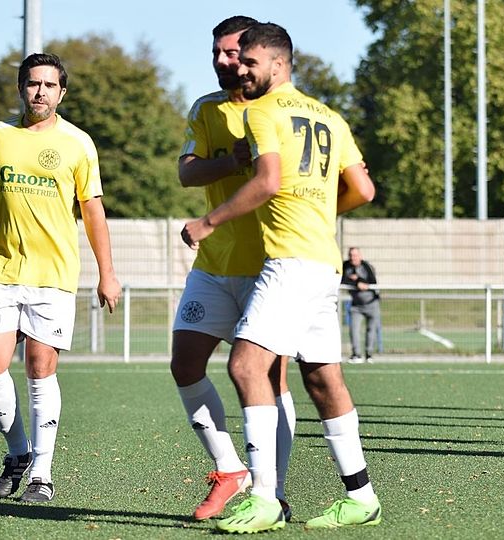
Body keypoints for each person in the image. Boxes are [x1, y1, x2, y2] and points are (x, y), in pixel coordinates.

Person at [182, 23, 380, 532]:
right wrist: (317, 212)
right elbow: (363, 188)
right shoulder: (329, 116)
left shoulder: (265, 111)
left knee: (248, 368)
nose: (240, 70)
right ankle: (361, 495)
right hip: (322, 258)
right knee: (320, 375)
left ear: (277, 64)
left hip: (289, 260)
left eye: (249, 62)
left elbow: (267, 182)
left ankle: (266, 498)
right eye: (236, 60)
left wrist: (207, 222)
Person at [0, 53, 121, 503]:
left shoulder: (78, 143)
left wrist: (108, 273)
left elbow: (93, 213)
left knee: (39, 368)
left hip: (53, 275)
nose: (40, 92)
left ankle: (41, 476)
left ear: (62, 93)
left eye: (50, 85)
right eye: (33, 84)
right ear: (20, 88)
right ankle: (18, 453)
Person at [174, 15, 296, 523]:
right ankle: (230, 469)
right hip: (214, 263)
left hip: (270, 264)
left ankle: (276, 492)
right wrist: (233, 161)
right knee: (185, 364)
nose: (225, 62)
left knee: (273, 377)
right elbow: (186, 170)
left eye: (234, 54)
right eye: (219, 53)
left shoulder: (285, 111)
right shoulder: (207, 108)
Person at [341, 247, 380, 363]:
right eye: (351, 255)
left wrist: (359, 279)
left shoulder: (366, 266)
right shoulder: (346, 266)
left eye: (355, 255)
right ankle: (356, 354)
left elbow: (372, 282)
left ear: (360, 256)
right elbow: (342, 279)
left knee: (371, 330)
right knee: (354, 330)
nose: (353, 258)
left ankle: (369, 354)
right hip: (356, 305)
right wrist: (356, 282)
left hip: (372, 303)